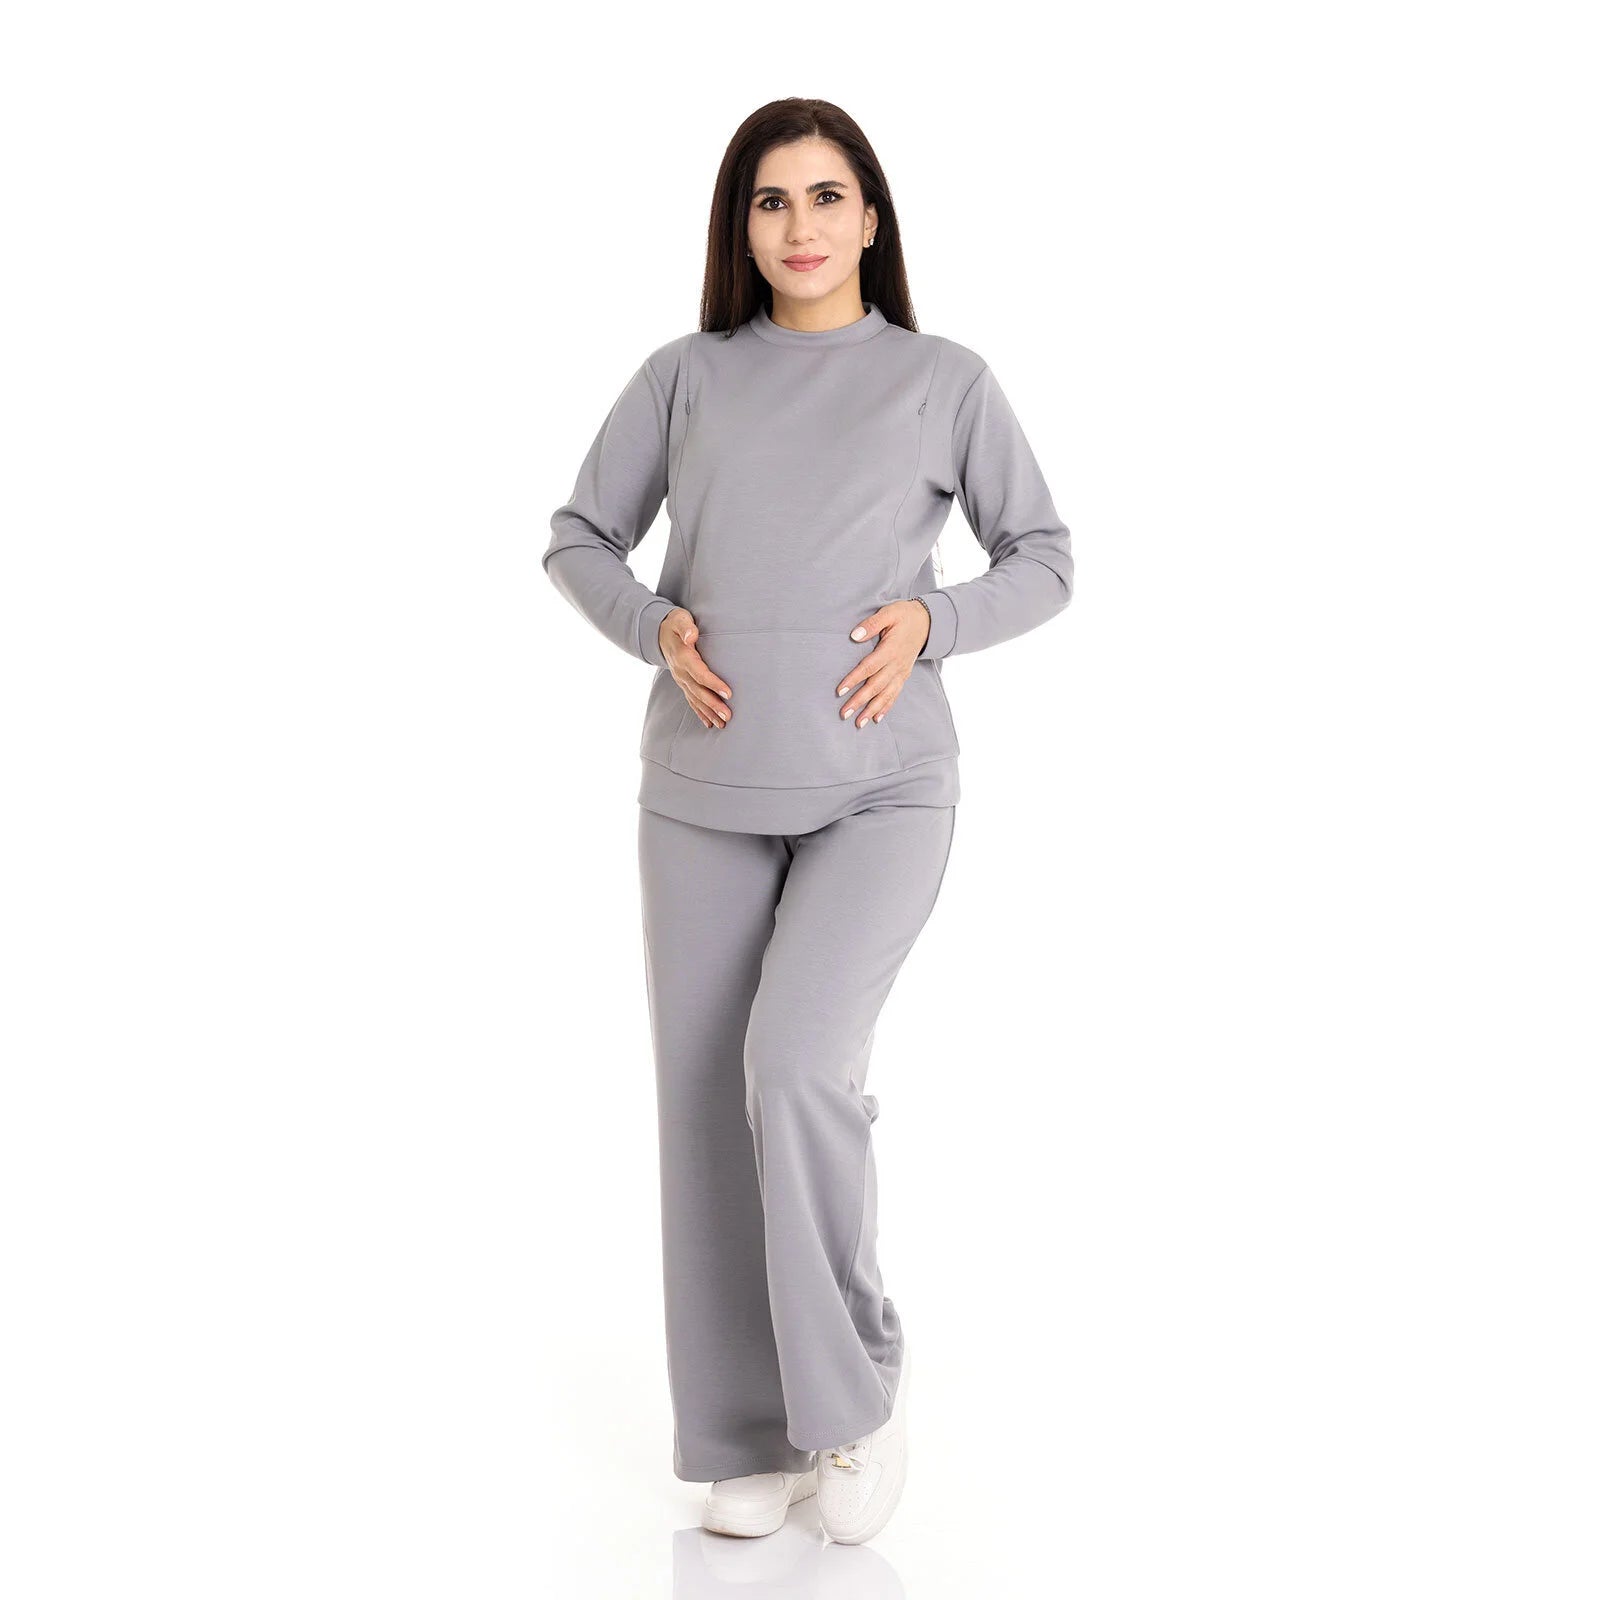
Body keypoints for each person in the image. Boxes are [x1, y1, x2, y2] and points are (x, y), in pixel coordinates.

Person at [542, 98, 1074, 1545]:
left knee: (794, 1067)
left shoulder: (943, 380)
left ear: (872, 217)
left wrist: (935, 620)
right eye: (770, 201)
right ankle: (743, 1434)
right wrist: (653, 628)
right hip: (702, 797)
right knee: (704, 1106)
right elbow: (580, 538)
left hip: (882, 790)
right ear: (742, 226)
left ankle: (853, 1401)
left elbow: (1043, 557)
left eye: (827, 196)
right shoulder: (684, 378)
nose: (800, 226)